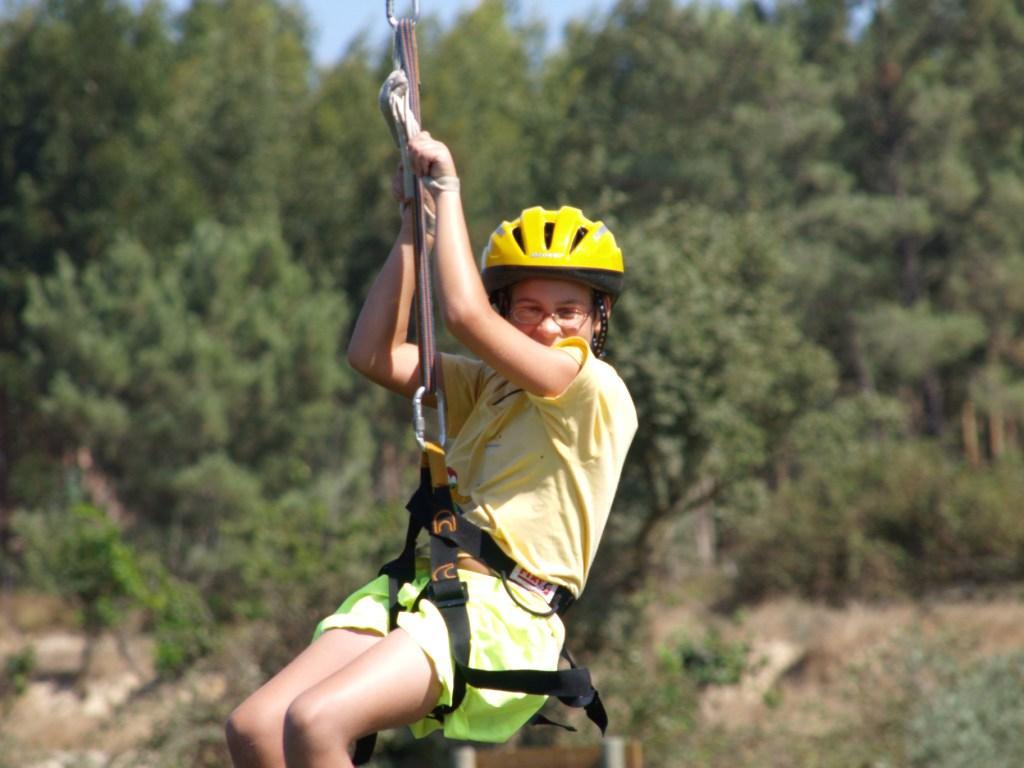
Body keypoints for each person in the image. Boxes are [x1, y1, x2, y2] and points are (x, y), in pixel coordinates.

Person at [224, 132, 637, 767]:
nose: (548, 325)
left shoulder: (589, 388)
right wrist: (415, 228)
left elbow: (466, 315)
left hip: (506, 612)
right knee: (254, 728)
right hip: (428, 587)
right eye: (527, 308)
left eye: (568, 310)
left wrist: (446, 190)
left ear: (598, 317)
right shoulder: (489, 386)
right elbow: (374, 354)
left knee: (316, 722)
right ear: (508, 308)